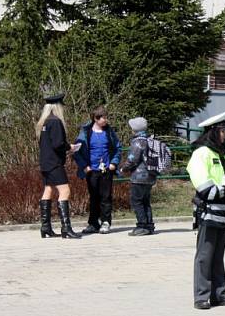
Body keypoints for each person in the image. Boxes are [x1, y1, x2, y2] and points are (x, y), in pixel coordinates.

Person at [186, 112, 225, 310]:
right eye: (222, 131)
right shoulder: (201, 154)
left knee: (218, 255)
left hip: (223, 211)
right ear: (213, 132)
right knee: (205, 255)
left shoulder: (223, 153)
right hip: (209, 211)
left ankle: (219, 294)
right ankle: (201, 296)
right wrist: (224, 189)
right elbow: (204, 187)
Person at [36, 92, 81, 239]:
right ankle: (66, 228)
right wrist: (70, 147)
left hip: (45, 162)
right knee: (65, 191)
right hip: (54, 163)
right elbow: (58, 143)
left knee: (48, 190)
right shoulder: (55, 121)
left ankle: (45, 227)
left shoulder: (44, 122)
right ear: (57, 107)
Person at [73, 106, 122, 235]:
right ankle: (93, 223)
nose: (106, 120)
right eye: (103, 118)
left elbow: (117, 148)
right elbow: (76, 151)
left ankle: (106, 222)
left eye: (106, 117)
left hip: (106, 170)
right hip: (92, 170)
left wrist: (113, 163)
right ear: (95, 118)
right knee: (94, 197)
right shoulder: (85, 133)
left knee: (106, 197)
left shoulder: (110, 132)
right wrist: (84, 166)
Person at [120, 116, 161, 236]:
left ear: (135, 130)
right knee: (145, 201)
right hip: (150, 176)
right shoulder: (149, 140)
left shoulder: (138, 142)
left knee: (136, 201)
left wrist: (123, 168)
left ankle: (142, 225)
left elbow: (133, 159)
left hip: (139, 177)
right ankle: (149, 225)